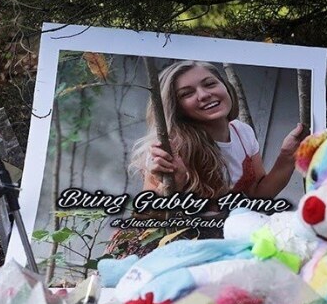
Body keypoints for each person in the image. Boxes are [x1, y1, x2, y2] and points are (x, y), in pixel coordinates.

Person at [131, 60, 306, 201]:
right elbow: (145, 219)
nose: (204, 95)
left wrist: (288, 155)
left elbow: (258, 194)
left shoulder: (242, 132)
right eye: (187, 93)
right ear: (176, 107)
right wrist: (172, 187)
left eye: (210, 84)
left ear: (226, 87)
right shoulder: (171, 147)